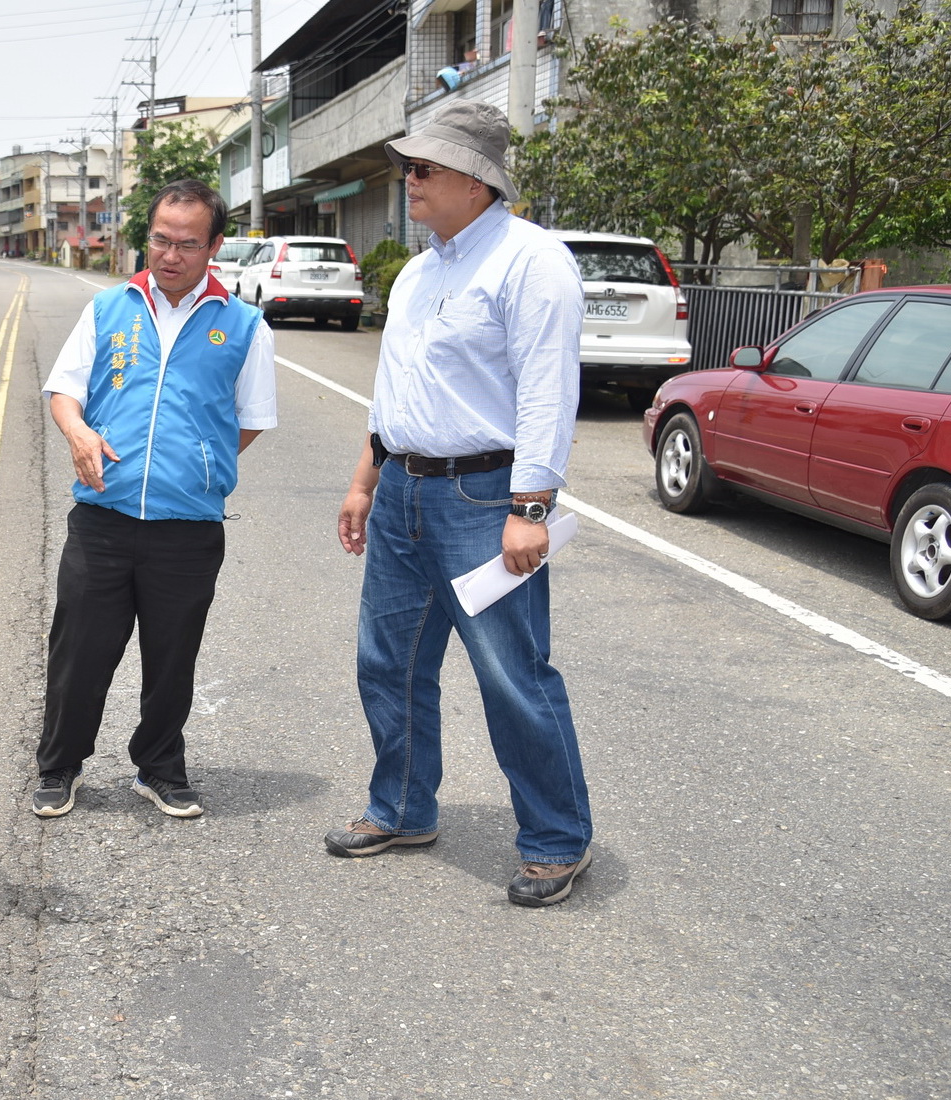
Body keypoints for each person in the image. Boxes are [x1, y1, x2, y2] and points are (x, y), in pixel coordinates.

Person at [323, 101, 594, 908]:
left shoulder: (530, 262)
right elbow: (394, 394)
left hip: (484, 497)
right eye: (408, 167)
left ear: (476, 182)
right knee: (389, 663)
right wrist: (364, 481)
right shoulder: (418, 273)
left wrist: (530, 510)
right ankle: (401, 809)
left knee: (511, 674)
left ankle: (556, 840)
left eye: (423, 168)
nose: (408, 180)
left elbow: (547, 393)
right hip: (403, 489)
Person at [31, 179, 277, 820]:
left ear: (214, 247)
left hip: (187, 526)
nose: (170, 255)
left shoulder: (244, 325)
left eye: (187, 244)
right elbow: (65, 390)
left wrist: (196, 463)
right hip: (103, 516)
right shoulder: (108, 308)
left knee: (172, 657)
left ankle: (160, 767)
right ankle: (59, 765)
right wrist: (79, 432)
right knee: (79, 652)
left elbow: (249, 420)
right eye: (160, 240)